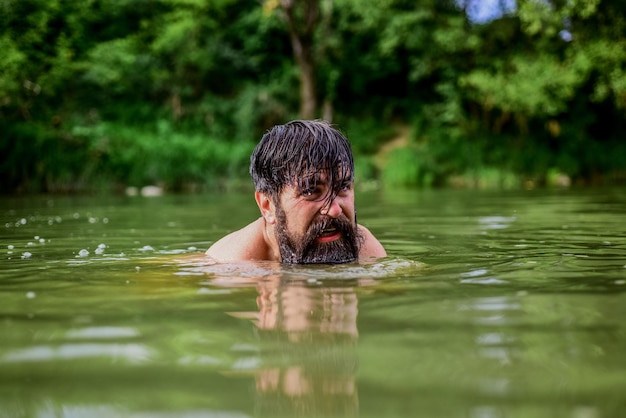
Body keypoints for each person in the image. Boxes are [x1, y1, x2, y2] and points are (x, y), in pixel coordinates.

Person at [206, 119, 387, 264]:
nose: (335, 210)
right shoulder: (230, 268)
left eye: (343, 187)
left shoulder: (366, 250)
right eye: (310, 191)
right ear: (267, 206)